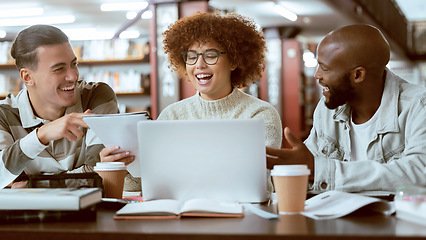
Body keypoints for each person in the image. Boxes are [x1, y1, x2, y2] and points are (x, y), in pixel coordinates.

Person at [266, 24, 426, 192]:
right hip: (337, 215)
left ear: (358, 75)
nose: (317, 75)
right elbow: (310, 167)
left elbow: (419, 173)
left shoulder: (418, 106)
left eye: (325, 68)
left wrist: (319, 169)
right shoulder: (326, 109)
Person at [158, 12, 283, 194]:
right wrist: (124, 166)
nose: (199, 65)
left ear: (233, 61)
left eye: (210, 55)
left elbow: (252, 181)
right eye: (191, 57)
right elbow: (148, 183)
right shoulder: (171, 115)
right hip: (185, 214)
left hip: (248, 215)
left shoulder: (260, 115)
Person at [0, 25, 129, 189]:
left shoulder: (97, 97)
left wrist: (31, 186)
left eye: (74, 64)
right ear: (27, 77)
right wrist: (41, 136)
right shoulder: (3, 114)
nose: (73, 75)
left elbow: (99, 176)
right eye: (59, 69)